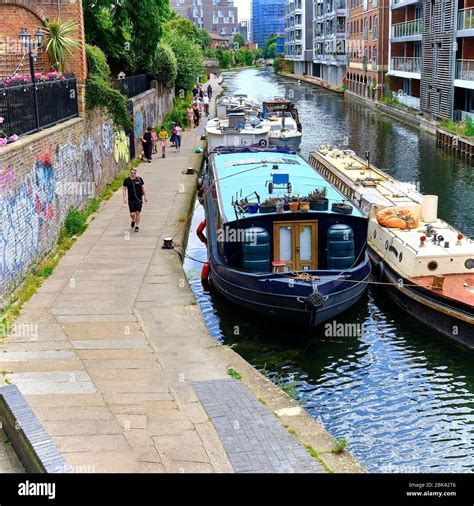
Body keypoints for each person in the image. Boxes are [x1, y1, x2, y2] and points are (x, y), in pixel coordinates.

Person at [122, 167, 147, 233]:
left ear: (136, 173)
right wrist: (124, 197)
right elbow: (124, 189)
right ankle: (133, 220)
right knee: (132, 214)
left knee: (138, 212)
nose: (133, 174)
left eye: (134, 173)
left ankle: (137, 226)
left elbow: (143, 187)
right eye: (132, 173)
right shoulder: (126, 180)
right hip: (131, 200)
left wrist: (145, 196)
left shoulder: (139, 179)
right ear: (130, 173)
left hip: (138, 199)